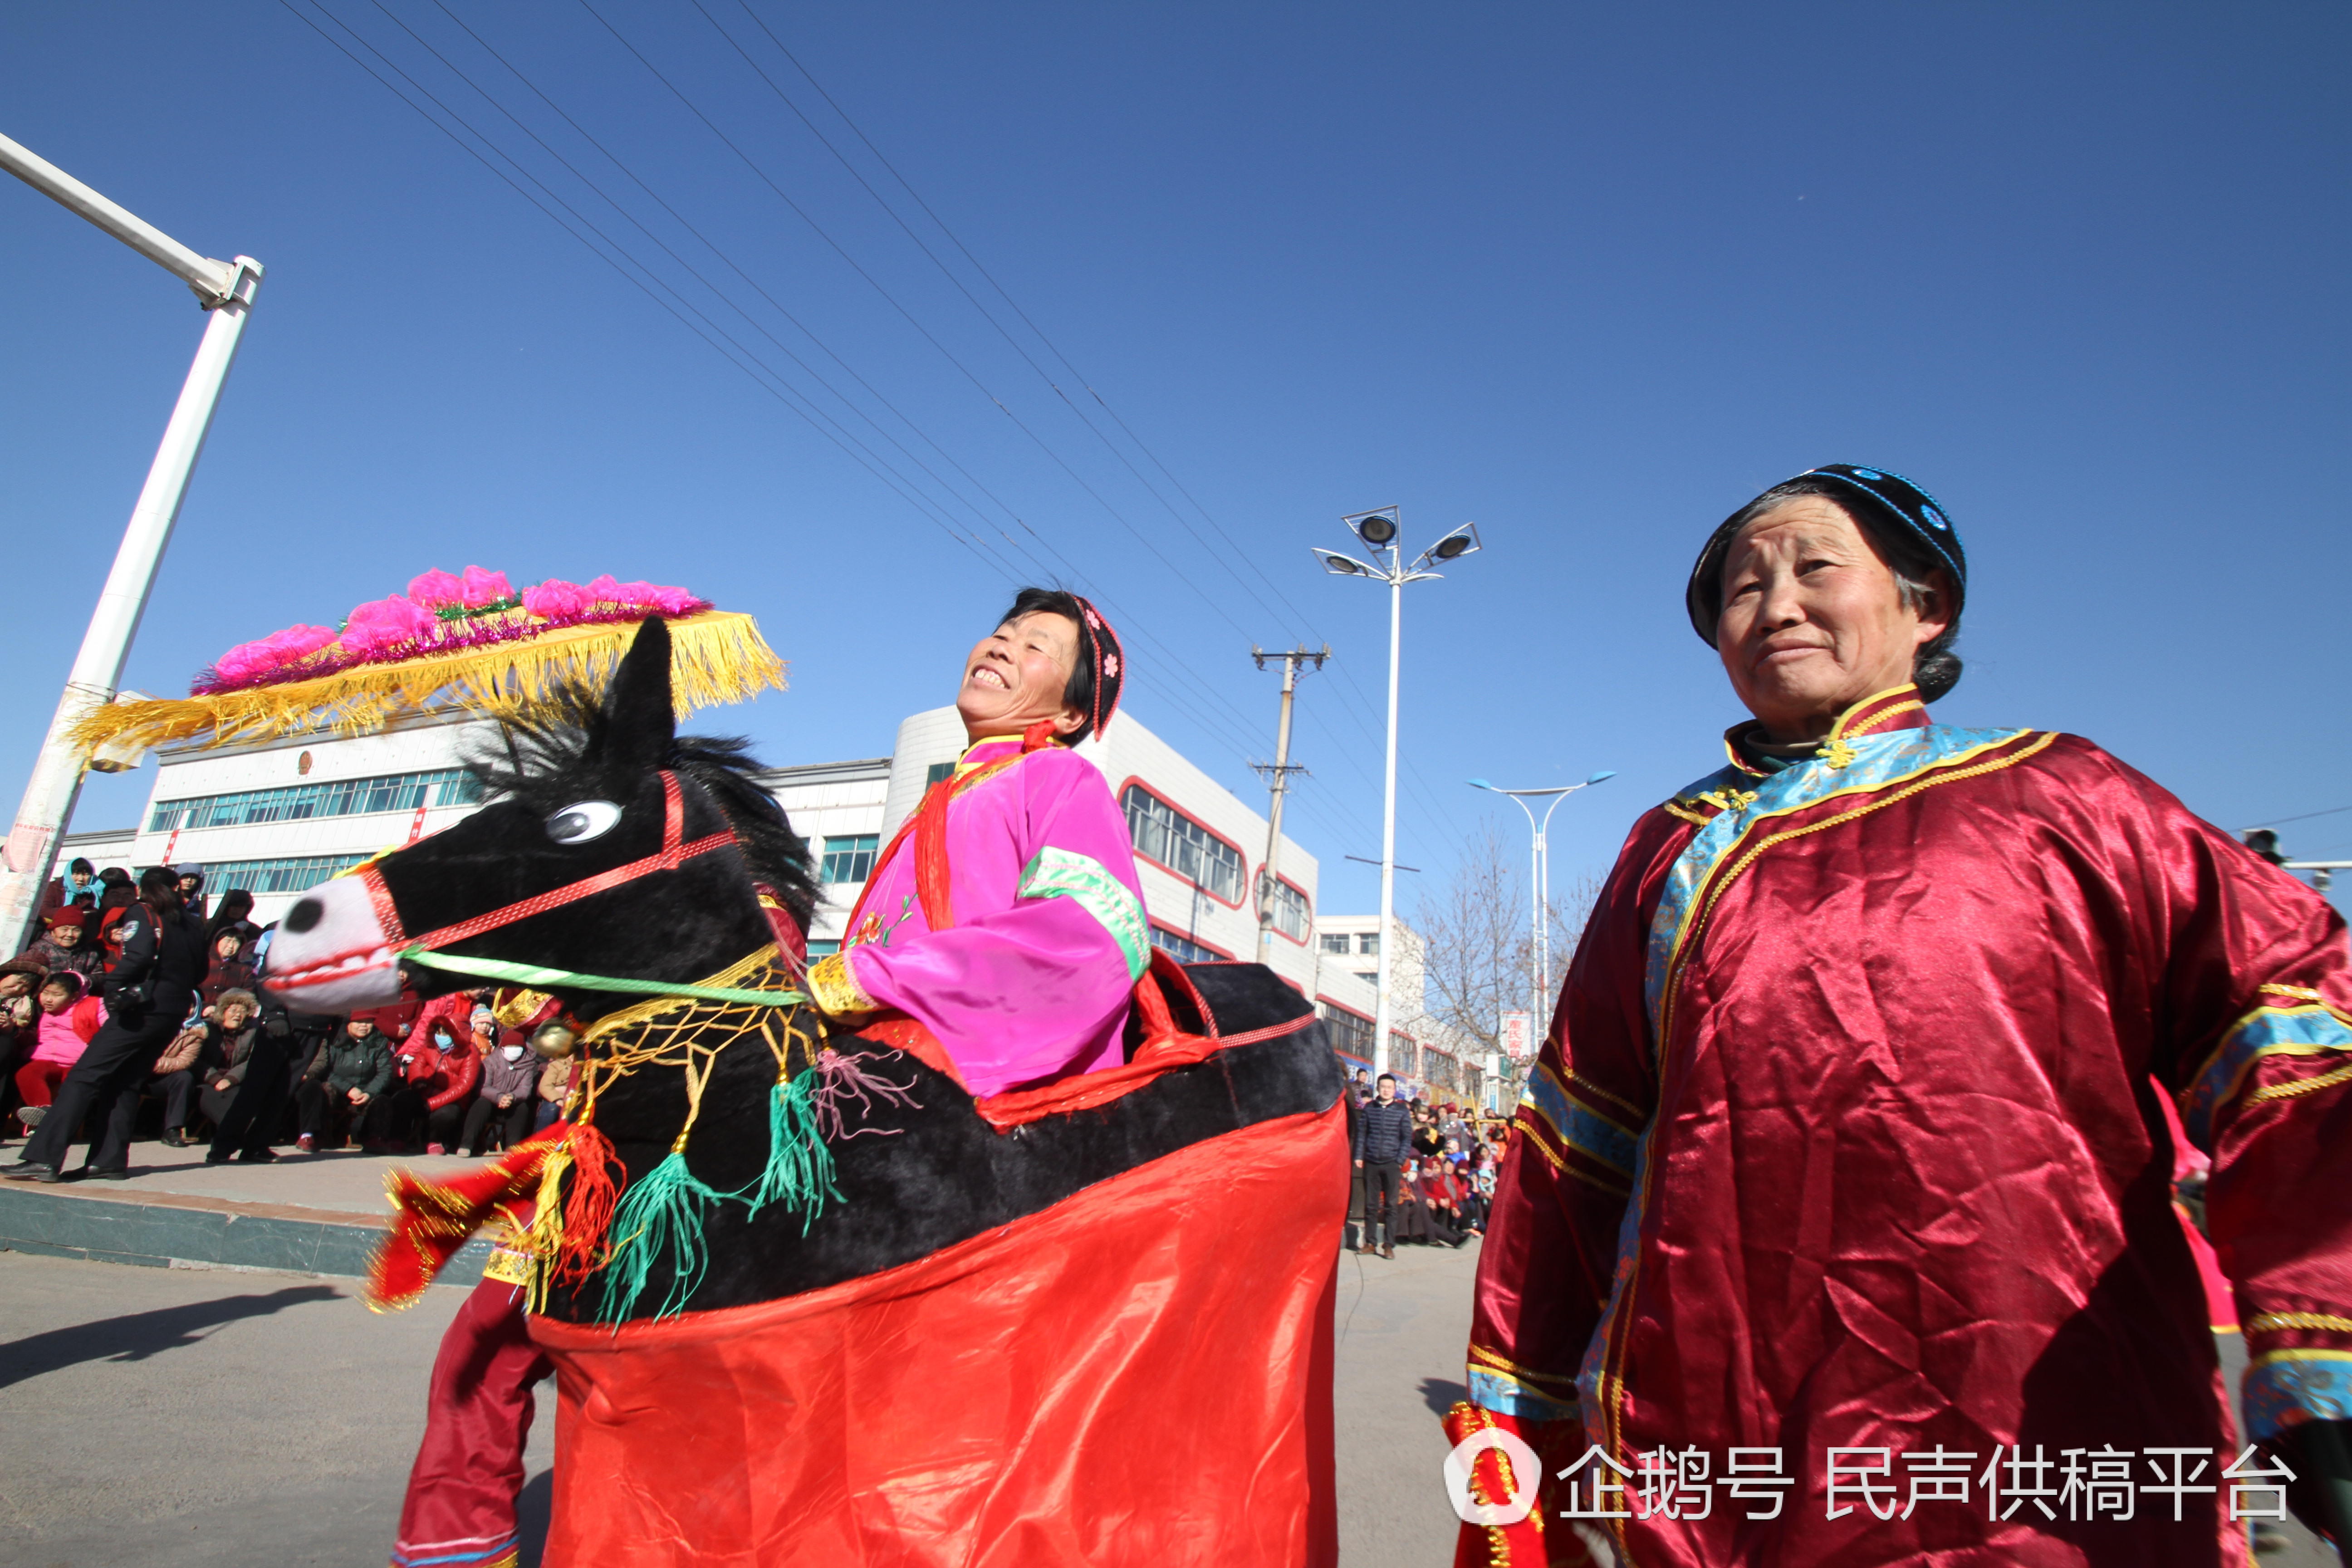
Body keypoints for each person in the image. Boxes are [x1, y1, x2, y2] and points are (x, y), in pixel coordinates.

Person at [1452, 464, 2352, 1566]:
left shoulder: (2067, 795)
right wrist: (1515, 1418)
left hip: (2055, 1425)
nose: (1774, 604)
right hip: (1730, 1441)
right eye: (1741, 588)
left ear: (1924, 604)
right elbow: (1571, 1151)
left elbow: (2291, 1022)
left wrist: (2323, 1345)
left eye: (1812, 566)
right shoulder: (1669, 848)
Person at [801, 588, 1148, 1097]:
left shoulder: (1058, 777)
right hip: (868, 1079)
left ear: (1073, 715)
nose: (1001, 647)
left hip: (978, 1109)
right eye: (1002, 634)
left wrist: (869, 978)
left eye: (1036, 648)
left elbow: (1092, 938)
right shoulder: (944, 797)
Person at [6, 869, 206, 1181]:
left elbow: (138, 956)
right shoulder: (193, 923)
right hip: (173, 1011)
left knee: (84, 1077)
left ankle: (44, 1158)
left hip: (141, 1010)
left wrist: (113, 987)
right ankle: (108, 1161)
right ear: (176, 888)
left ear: (142, 888)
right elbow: (201, 971)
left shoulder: (142, 912)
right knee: (125, 1082)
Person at [12, 973, 103, 1137]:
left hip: (79, 1062)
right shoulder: (42, 1012)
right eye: (46, 993)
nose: (48, 999)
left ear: (74, 996)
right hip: (48, 1060)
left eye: (57, 995)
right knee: (27, 1073)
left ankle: (57, 1124)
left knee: (73, 1084)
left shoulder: (94, 1006)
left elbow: (109, 1033)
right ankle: (43, 1112)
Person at [298, 1012, 398, 1151]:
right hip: (339, 1089)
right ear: (348, 1024)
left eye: (368, 1022)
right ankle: (322, 1136)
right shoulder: (334, 1040)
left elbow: (385, 1072)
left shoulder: (379, 1042)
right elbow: (326, 1070)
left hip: (365, 1090)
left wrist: (369, 1093)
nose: (364, 1026)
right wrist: (349, 1089)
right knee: (325, 1090)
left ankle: (374, 1139)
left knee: (382, 1101)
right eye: (359, 1022)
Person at [392, 1017, 479, 1154]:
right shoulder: (430, 1046)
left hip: (450, 1099)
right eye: (438, 1033)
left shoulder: (470, 1053)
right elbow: (417, 1065)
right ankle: (399, 1137)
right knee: (403, 1098)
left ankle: (433, 1140)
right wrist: (417, 1081)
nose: (440, 1037)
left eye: (445, 1034)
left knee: (448, 1114)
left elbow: (465, 1085)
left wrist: (433, 1103)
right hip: (424, 1091)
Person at [1352, 1072, 1411, 1259]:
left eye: (1390, 1088)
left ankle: (1389, 1245)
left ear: (1395, 1090)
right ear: (1378, 1088)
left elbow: (1406, 1138)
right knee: (1370, 1205)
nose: (1386, 1090)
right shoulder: (1370, 1109)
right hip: (1372, 1161)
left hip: (1392, 1163)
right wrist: (1359, 1156)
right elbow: (1362, 1134)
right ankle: (1370, 1243)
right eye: (1383, 1087)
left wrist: (1400, 1160)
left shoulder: (1402, 1111)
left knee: (1391, 1205)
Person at [23, 908, 103, 985]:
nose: (70, 935)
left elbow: (100, 976)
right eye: (65, 929)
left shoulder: (90, 953)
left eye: (76, 930)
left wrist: (82, 980)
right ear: (53, 931)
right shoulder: (40, 949)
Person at [533, 1051, 574, 1132]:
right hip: (556, 1098)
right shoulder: (557, 1065)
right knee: (551, 1109)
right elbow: (545, 1086)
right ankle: (542, 1137)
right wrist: (558, 1099)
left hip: (574, 1098)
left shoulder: (586, 1066)